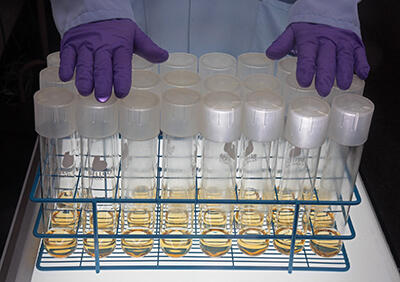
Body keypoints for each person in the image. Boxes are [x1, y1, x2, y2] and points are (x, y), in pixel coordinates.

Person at [50, 0, 369, 102]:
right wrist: (91, 8)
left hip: (265, 45)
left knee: (260, 150)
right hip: (125, 34)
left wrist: (328, 8)